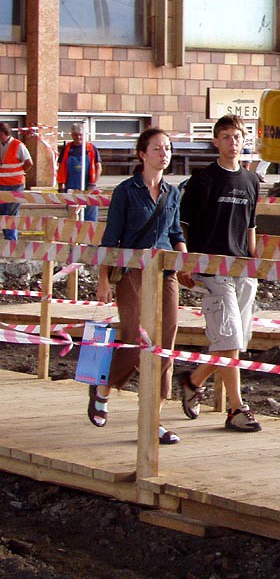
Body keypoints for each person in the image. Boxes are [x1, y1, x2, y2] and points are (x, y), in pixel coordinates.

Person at [91, 128, 186, 446]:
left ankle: (153, 419)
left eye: (168, 148)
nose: (164, 153)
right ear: (142, 154)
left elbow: (175, 232)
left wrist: (185, 259)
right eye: (157, 148)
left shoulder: (172, 193)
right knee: (135, 338)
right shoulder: (125, 191)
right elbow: (110, 238)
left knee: (165, 344)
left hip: (166, 273)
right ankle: (103, 387)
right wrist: (103, 279)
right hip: (132, 272)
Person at [177, 115, 263, 433]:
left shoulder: (251, 181)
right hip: (213, 270)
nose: (232, 142)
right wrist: (185, 262)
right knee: (228, 338)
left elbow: (251, 226)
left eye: (237, 136)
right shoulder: (203, 179)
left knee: (234, 341)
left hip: (242, 270)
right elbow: (183, 225)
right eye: (226, 137)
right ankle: (236, 408)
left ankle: (193, 379)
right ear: (216, 141)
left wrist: (254, 264)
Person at [57, 123, 103, 222]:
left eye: (80, 135)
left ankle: (89, 230)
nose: (78, 137)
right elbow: (61, 168)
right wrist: (60, 186)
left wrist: (93, 183)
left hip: (88, 186)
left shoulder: (91, 148)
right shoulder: (67, 149)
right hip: (71, 185)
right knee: (73, 214)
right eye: (75, 135)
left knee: (90, 213)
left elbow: (98, 167)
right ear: (71, 135)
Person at [0, 122, 33, 241]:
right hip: (2, 184)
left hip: (15, 185)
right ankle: (9, 238)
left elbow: (29, 162)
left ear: (3, 133)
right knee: (3, 213)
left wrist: (20, 172)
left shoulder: (18, 145)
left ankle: (11, 240)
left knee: (11, 212)